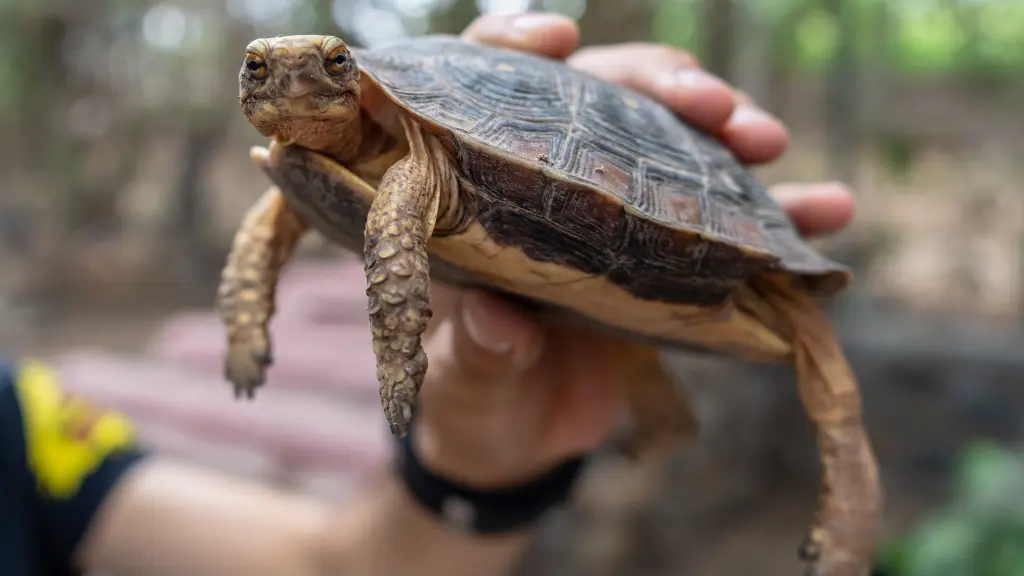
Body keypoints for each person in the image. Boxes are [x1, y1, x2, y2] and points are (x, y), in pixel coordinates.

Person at [0, 11, 855, 576]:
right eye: (263, 71)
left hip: (646, 225)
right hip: (546, 294)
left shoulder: (26, 440)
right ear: (246, 94)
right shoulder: (313, 180)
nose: (294, 83)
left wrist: (464, 463)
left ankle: (850, 497)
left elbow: (333, 562)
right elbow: (272, 238)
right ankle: (653, 405)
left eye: (330, 67)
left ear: (358, 82)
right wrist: (245, 324)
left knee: (813, 347)